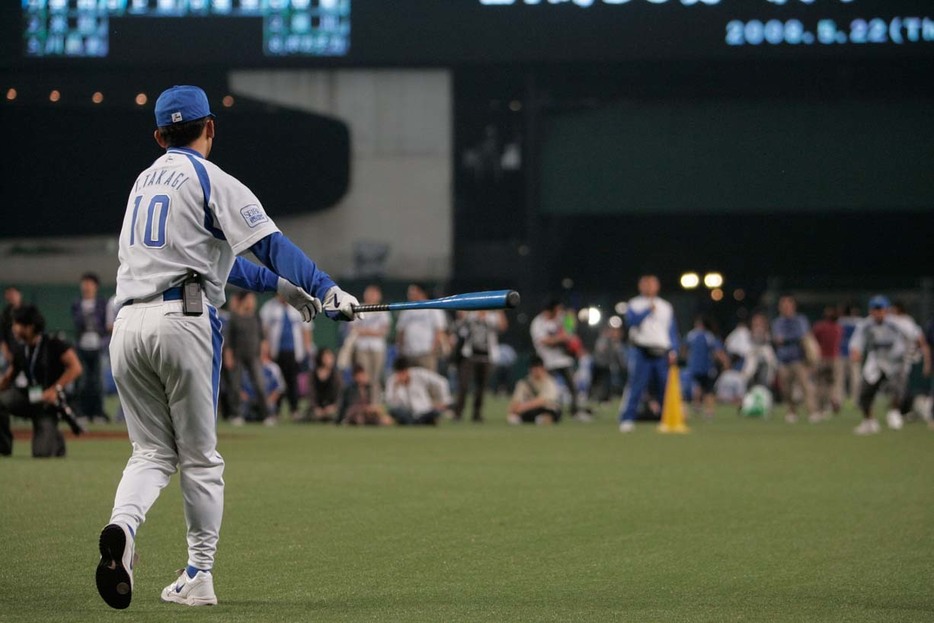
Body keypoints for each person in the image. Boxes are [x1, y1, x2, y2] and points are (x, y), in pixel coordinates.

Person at [96, 85, 359, 610]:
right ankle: (199, 574)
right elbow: (268, 243)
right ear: (210, 127)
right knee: (200, 458)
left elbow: (220, 258)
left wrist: (278, 286)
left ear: (158, 136)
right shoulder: (208, 177)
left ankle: (122, 529)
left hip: (127, 325)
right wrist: (325, 287)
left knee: (149, 451)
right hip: (184, 320)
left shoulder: (142, 182)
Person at [0, 305, 83, 457]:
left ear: (30, 327)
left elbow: (76, 367)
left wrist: (54, 390)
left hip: (48, 403)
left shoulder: (53, 344)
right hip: (29, 397)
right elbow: (7, 379)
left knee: (41, 454)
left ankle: (56, 440)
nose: (14, 328)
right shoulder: (21, 350)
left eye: (17, 323)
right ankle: (3, 448)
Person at [617, 275, 679, 433]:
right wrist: (646, 311)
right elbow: (631, 323)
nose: (649, 287)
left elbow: (671, 330)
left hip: (661, 351)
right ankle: (627, 418)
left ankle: (666, 418)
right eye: (646, 284)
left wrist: (673, 349)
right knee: (636, 385)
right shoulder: (634, 304)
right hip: (642, 350)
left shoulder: (665, 306)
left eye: (652, 284)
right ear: (640, 286)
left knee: (663, 386)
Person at [849, 296, 914, 435]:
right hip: (876, 360)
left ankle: (894, 412)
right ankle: (869, 422)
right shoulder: (865, 324)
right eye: (875, 309)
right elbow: (856, 342)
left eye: (881, 309)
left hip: (894, 360)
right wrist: (856, 352)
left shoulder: (897, 322)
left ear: (886, 310)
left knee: (898, 386)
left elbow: (915, 335)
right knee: (864, 392)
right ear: (870, 311)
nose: (878, 313)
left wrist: (912, 351)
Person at [259, 290, 314, 417]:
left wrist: (307, 349)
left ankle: (294, 409)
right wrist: (265, 349)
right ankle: (276, 410)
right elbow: (264, 330)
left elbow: (306, 330)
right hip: (276, 351)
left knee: (292, 381)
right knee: (278, 382)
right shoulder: (269, 307)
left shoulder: (300, 306)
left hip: (294, 352)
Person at [530, 299, 587, 421]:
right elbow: (543, 341)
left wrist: (571, 318)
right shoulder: (538, 322)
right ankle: (552, 411)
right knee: (550, 389)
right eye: (557, 309)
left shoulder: (561, 318)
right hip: (547, 361)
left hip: (563, 359)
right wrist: (561, 338)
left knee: (573, 387)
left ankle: (575, 411)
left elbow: (571, 331)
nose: (559, 312)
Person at [771, 295, 819, 424]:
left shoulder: (800, 320)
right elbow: (776, 338)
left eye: (787, 305)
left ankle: (812, 412)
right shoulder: (778, 322)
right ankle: (791, 412)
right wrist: (786, 339)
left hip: (799, 359)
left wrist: (785, 339)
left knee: (806, 387)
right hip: (783, 359)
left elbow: (801, 335)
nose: (785, 308)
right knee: (786, 390)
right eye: (783, 305)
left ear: (793, 306)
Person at [452, 310, 506, 423]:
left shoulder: (493, 316)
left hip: (486, 356)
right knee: (463, 385)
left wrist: (500, 310)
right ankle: (458, 413)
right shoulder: (471, 315)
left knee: (481, 387)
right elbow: (459, 325)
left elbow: (503, 327)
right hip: (470, 355)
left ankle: (477, 414)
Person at [71, 272, 110, 422]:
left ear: (96, 286)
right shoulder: (77, 304)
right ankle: (82, 413)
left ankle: (98, 413)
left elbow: (105, 326)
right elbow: (77, 324)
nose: (87, 287)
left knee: (98, 382)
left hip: (98, 347)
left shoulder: (102, 304)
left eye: (90, 283)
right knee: (83, 382)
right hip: (82, 347)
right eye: (84, 283)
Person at [224, 291, 267, 424]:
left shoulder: (256, 317)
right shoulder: (234, 317)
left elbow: (263, 338)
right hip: (238, 356)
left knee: (259, 385)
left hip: (253, 356)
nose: (252, 303)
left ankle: (266, 415)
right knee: (235, 386)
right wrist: (228, 356)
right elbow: (228, 340)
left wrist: (263, 354)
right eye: (250, 300)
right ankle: (237, 414)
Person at [348, 284, 391, 397]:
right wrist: (372, 332)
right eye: (369, 293)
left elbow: (383, 331)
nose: (371, 296)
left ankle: (374, 403)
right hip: (362, 347)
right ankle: (362, 402)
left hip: (378, 348)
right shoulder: (359, 307)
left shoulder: (383, 309)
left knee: (375, 377)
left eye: (374, 294)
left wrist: (366, 331)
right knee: (363, 377)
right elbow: (354, 329)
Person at [683, 315, 728, 419]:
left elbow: (684, 349)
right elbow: (717, 351)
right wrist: (725, 362)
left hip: (694, 367)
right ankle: (709, 411)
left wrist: (688, 359)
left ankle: (697, 406)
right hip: (706, 367)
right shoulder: (709, 336)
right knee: (708, 389)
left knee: (697, 386)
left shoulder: (691, 335)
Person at [395, 283, 447, 373]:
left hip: (426, 353)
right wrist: (400, 350)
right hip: (409, 353)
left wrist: (433, 350)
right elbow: (401, 331)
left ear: (421, 292)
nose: (409, 294)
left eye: (412, 291)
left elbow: (439, 331)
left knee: (428, 380)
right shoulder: (406, 310)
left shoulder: (433, 307)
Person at [384, 356, 450, 425]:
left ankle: (419, 421)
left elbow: (442, 382)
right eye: (399, 373)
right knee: (395, 411)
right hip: (406, 413)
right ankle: (421, 422)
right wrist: (396, 389)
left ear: (407, 370)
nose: (401, 376)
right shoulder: (392, 381)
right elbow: (391, 403)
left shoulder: (419, 374)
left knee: (435, 412)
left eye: (403, 373)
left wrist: (444, 401)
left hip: (423, 411)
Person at [238, 340, 286, 425]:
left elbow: (279, 388)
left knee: (270, 407)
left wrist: (269, 400)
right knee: (243, 409)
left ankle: (268, 417)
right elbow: (239, 386)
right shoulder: (246, 367)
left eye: (264, 349)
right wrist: (244, 396)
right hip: (249, 400)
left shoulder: (273, 367)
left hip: (266, 401)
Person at [507, 355, 561, 425]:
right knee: (517, 416)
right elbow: (517, 399)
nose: (536, 371)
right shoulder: (524, 383)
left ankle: (539, 419)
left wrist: (523, 407)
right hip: (530, 410)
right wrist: (513, 409)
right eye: (534, 368)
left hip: (546, 408)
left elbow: (543, 400)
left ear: (543, 368)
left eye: (538, 368)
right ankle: (534, 419)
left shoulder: (549, 382)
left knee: (553, 412)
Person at [811, 306, 843, 417]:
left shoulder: (819, 327)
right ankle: (834, 402)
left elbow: (813, 339)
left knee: (821, 385)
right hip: (834, 358)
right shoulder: (838, 328)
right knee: (834, 384)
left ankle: (821, 408)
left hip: (822, 358)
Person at [302, 348, 342, 423]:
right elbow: (311, 394)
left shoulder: (336, 375)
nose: (330, 360)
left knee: (334, 415)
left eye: (331, 357)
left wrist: (334, 407)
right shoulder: (313, 375)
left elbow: (340, 394)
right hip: (317, 407)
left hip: (332, 407)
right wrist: (316, 408)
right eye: (327, 357)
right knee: (312, 416)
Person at [838, 304, 864, 405]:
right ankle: (856, 400)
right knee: (855, 379)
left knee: (840, 380)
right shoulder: (858, 322)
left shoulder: (839, 322)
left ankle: (839, 400)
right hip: (854, 353)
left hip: (842, 353)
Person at [1, 286, 24, 366]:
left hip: (26, 350)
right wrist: (5, 352)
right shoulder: (5, 314)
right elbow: (2, 335)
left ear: (19, 295)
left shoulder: (28, 310)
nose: (11, 297)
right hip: (11, 351)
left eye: (13, 294)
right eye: (9, 294)